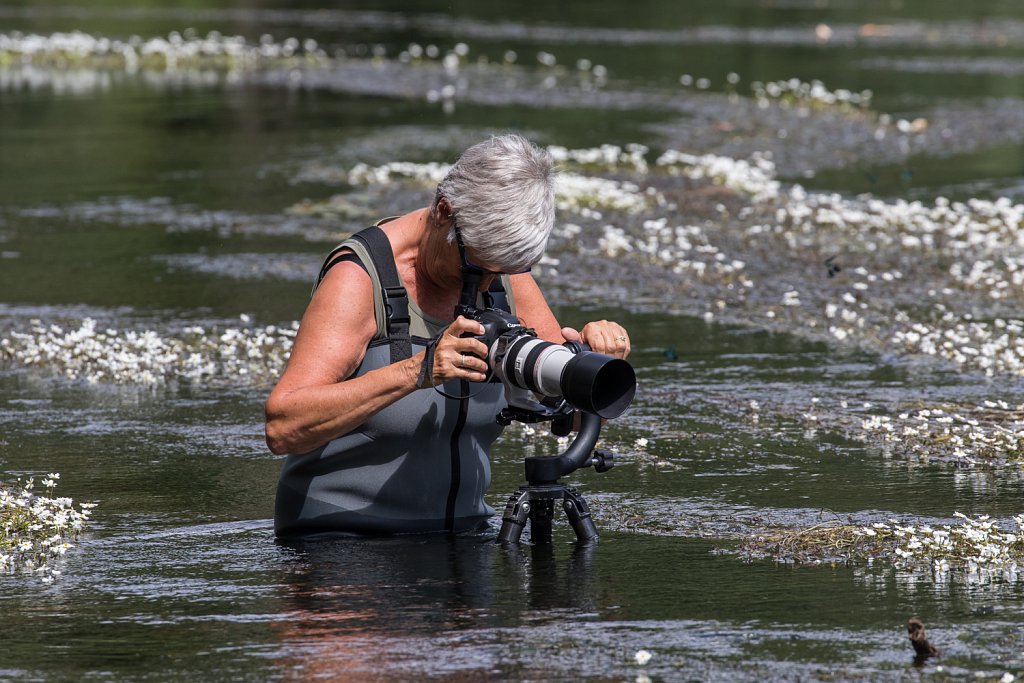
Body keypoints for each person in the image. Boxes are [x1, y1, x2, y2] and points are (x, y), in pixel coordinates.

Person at [266, 134, 631, 537]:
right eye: (479, 265)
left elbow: (566, 410)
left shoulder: (500, 273)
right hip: (343, 539)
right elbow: (283, 427)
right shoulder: (358, 279)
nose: (489, 283)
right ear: (444, 212)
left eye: (504, 270)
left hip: (465, 537)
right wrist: (417, 371)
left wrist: (592, 362)